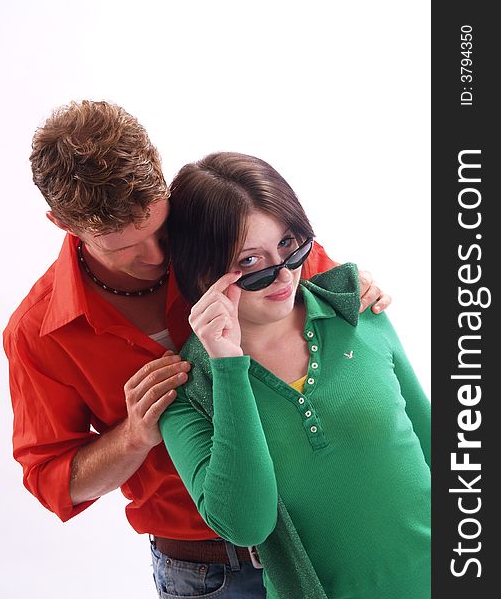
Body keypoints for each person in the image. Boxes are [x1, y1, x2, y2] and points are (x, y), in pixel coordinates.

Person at [3, 100, 393, 599]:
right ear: (61, 222)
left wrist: (359, 290)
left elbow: (309, 282)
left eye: (160, 228)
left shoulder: (218, 220)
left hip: (333, 532)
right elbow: (53, 480)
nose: (158, 255)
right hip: (210, 572)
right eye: (124, 246)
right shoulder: (37, 333)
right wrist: (133, 437)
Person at [160, 152, 431, 599]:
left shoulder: (358, 311)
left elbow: (434, 443)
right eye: (251, 263)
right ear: (204, 273)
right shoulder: (188, 394)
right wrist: (228, 367)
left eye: (289, 244)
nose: (284, 274)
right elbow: (247, 523)